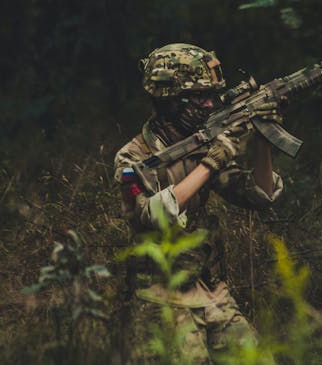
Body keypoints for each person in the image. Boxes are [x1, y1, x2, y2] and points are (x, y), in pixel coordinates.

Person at [114, 43, 282, 364]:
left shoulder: (204, 140)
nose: (210, 104)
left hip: (210, 289)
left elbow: (258, 195)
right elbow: (149, 215)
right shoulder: (132, 157)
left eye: (214, 96)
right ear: (169, 101)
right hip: (160, 297)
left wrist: (264, 138)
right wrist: (210, 163)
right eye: (200, 97)